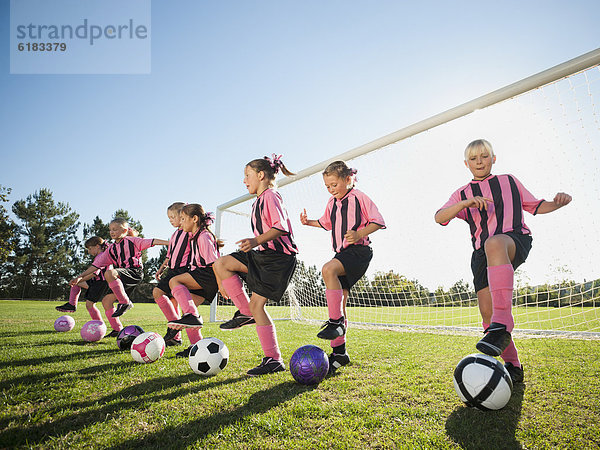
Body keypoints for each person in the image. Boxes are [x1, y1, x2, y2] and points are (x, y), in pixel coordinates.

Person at [434, 139, 572, 383]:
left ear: (493, 158)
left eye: (484, 156)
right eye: (474, 158)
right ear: (466, 164)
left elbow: (536, 206)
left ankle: (503, 323)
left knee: (495, 243)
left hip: (513, 240)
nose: (479, 161)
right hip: (481, 255)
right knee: (487, 314)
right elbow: (439, 217)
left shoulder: (509, 181)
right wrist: (465, 204)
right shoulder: (462, 193)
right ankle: (513, 365)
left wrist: (557, 203)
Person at [213, 154, 297, 376]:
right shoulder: (259, 200)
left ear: (261, 175)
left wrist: (255, 241)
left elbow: (281, 227)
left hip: (278, 259)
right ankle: (244, 312)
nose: (244, 180)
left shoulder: (271, 196)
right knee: (222, 264)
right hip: (263, 255)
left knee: (258, 305)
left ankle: (273, 360)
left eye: (247, 175)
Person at [300, 160, 386, 374]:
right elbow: (325, 223)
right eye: (327, 186)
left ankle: (335, 322)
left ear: (348, 179)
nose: (331, 190)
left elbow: (378, 221)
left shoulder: (359, 197)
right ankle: (340, 354)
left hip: (359, 251)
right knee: (341, 302)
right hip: (342, 253)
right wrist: (307, 222)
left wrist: (359, 234)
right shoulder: (332, 203)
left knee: (328, 269)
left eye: (334, 185)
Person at [70, 218, 168, 336]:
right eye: (110, 229)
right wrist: (79, 278)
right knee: (106, 301)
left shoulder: (133, 241)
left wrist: (170, 243)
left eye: (115, 229)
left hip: (134, 272)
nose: (112, 232)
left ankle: (125, 302)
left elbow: (153, 241)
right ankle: (117, 329)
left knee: (109, 273)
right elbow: (95, 266)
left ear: (125, 230)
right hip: (121, 278)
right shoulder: (111, 249)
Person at [166, 203, 223, 358]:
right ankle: (196, 347)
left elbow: (214, 263)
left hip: (207, 275)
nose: (181, 222)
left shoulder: (204, 237)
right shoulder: (194, 236)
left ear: (195, 219)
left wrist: (221, 284)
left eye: (183, 219)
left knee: (174, 281)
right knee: (188, 310)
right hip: (203, 276)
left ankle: (192, 317)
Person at [153, 202, 193, 347]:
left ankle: (174, 331)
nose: (170, 220)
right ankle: (175, 335)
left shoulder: (190, 232)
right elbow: (169, 256)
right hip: (172, 270)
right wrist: (161, 269)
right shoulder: (174, 235)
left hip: (184, 270)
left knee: (159, 293)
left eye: (172, 217)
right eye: (169, 218)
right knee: (170, 301)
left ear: (182, 215)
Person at [57, 237, 111, 326]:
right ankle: (71, 304)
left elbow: (94, 273)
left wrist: (79, 278)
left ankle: (99, 325)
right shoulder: (102, 255)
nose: (89, 252)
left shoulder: (101, 256)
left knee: (90, 305)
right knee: (76, 284)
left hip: (101, 283)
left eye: (90, 249)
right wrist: (78, 280)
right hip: (98, 281)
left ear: (97, 246)